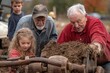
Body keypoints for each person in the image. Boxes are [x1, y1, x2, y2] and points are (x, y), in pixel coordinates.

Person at [57, 3, 110, 73]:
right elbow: (59, 47)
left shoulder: (95, 23)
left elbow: (98, 37)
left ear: (85, 16)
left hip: (103, 61)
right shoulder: (68, 29)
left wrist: (95, 46)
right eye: (73, 22)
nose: (76, 25)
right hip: (81, 64)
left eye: (79, 21)